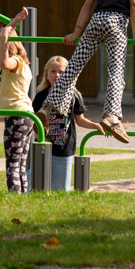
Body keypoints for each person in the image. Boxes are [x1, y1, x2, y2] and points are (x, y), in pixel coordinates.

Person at [38, 0, 135, 144]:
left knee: (73, 68)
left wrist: (76, 32)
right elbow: (134, 5)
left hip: (95, 21)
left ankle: (48, 107)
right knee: (116, 72)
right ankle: (111, 116)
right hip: (117, 23)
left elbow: (88, 4)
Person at [32, 55, 102, 191]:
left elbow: (80, 120)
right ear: (46, 74)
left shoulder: (74, 96)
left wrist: (95, 125)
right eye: (53, 71)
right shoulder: (41, 95)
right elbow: (36, 121)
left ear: (68, 74)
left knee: (61, 187)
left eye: (61, 72)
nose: (57, 75)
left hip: (65, 147)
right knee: (42, 184)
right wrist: (41, 138)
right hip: (45, 145)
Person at [0, 7, 35, 192]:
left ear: (8, 46)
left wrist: (3, 38)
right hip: (20, 116)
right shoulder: (11, 65)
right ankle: (22, 196)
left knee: (12, 163)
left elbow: (3, 60)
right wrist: (14, 21)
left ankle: (15, 197)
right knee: (19, 163)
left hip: (18, 115)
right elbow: (8, 35)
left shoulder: (16, 62)